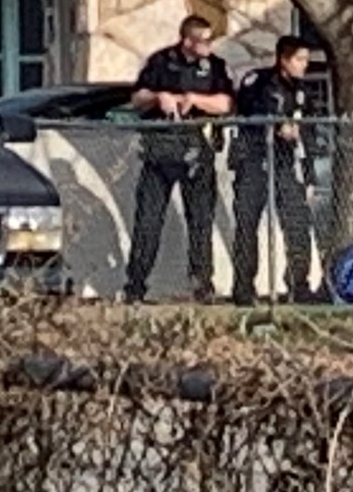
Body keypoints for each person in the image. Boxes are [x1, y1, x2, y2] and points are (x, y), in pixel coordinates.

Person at [123, 16, 234, 303]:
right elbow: (137, 98)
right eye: (204, 40)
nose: (209, 45)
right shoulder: (161, 62)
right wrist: (159, 97)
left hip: (198, 150)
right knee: (148, 220)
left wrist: (195, 100)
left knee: (200, 221)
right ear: (187, 41)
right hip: (160, 151)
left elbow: (225, 103)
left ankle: (201, 285)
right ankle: (135, 287)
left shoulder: (215, 66)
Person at [231, 37, 322, 306]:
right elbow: (248, 112)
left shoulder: (303, 91)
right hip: (254, 160)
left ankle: (298, 285)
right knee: (247, 224)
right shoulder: (258, 82)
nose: (304, 65)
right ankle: (244, 289)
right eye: (299, 60)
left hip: (286, 163)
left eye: (306, 60)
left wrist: (309, 176)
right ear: (283, 59)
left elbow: (309, 134)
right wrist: (275, 124)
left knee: (297, 222)